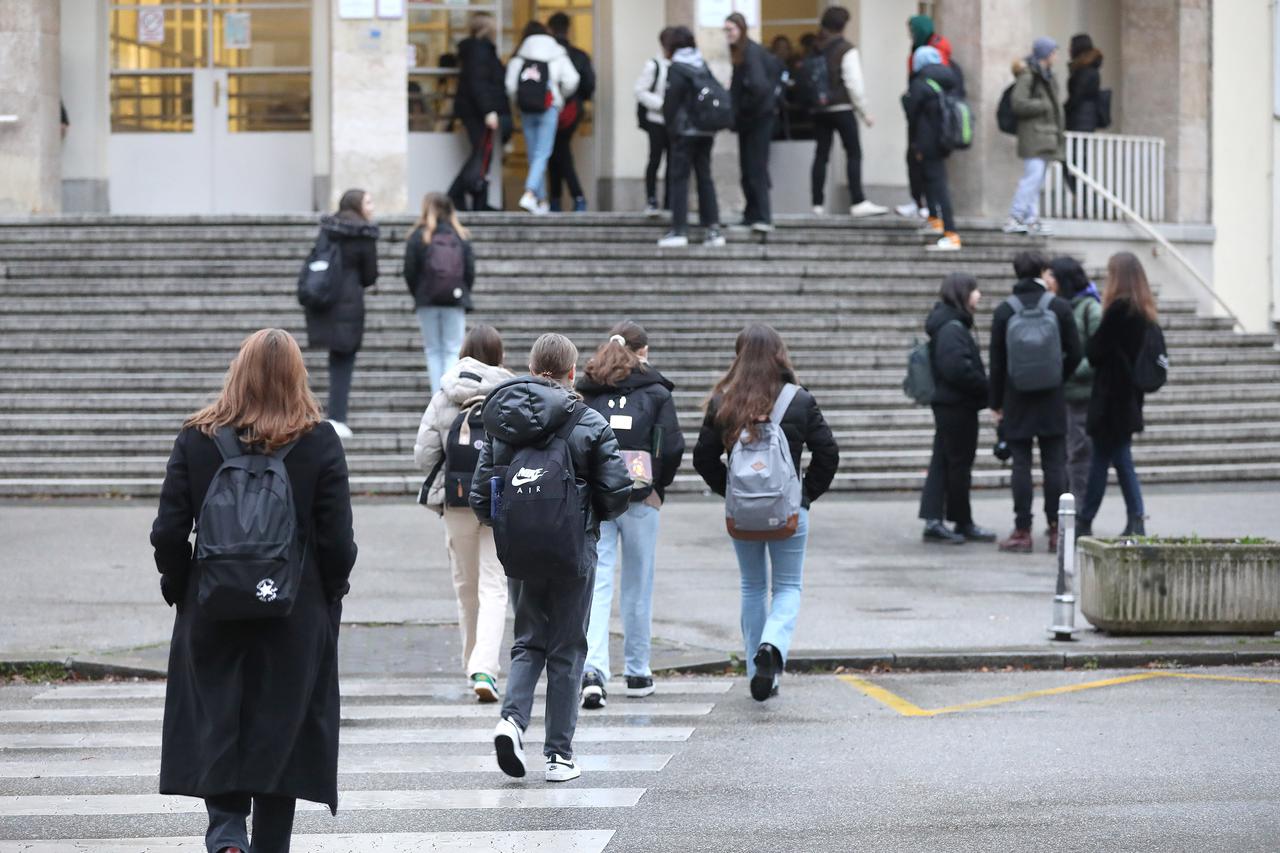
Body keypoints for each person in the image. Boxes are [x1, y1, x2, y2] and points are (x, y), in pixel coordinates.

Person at [151, 328, 357, 853]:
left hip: (212, 605)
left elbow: (169, 531)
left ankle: (224, 830)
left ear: (236, 372)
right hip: (293, 610)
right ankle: (268, 843)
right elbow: (338, 540)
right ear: (297, 376)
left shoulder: (196, 436)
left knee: (216, 713)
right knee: (281, 729)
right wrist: (330, 593)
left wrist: (180, 585)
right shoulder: (318, 439)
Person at [472, 333, 631, 783]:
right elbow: (617, 490)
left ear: (532, 366)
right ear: (572, 372)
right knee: (567, 648)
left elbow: (484, 498)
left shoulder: (502, 420)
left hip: (520, 551)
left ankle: (512, 720)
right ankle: (559, 756)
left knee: (528, 640)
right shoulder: (590, 421)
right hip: (573, 550)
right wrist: (588, 516)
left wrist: (512, 524)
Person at [693, 324, 839, 701]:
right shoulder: (798, 400)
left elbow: (702, 457)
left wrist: (731, 491)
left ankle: (756, 669)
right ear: (779, 354)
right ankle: (771, 648)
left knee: (752, 587)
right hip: (789, 511)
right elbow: (829, 454)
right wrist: (805, 495)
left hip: (742, 514)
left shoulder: (725, 400)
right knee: (787, 587)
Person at [576, 322, 686, 709]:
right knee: (639, 585)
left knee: (597, 583)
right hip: (641, 497)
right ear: (642, 351)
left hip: (597, 497)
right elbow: (672, 445)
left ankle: (593, 671)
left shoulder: (587, 389)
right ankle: (638, 671)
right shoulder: (656, 392)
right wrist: (659, 485)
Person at [414, 324, 514, 703]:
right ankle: (485, 668)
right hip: (498, 497)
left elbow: (422, 455)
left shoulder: (445, 392)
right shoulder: (510, 392)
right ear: (499, 355)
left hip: (456, 500)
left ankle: (473, 664)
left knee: (465, 587)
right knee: (493, 584)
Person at [988, 251, 1083, 553]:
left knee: (1021, 465)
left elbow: (998, 362)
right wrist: (1058, 376)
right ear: (1043, 271)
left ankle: (1022, 530)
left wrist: (997, 403)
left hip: (1016, 398)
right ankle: (1056, 530)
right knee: (1055, 464)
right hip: (1052, 397)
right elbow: (1077, 352)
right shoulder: (1059, 307)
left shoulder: (1005, 311)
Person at [1076, 252, 1158, 539]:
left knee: (1114, 459)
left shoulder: (1118, 311)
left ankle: (1122, 518)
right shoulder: (1144, 311)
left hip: (1111, 398)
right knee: (1109, 458)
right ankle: (1100, 518)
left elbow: (1095, 351)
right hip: (1129, 397)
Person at [919, 274, 995, 544]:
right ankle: (961, 521)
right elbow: (957, 369)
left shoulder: (950, 324)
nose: (979, 296)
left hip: (952, 404)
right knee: (958, 465)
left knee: (943, 462)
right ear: (962, 293)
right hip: (956, 405)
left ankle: (937, 520)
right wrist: (987, 387)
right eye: (974, 290)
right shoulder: (952, 328)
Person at [303, 189, 379, 440]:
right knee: (343, 361)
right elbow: (370, 276)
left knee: (330, 358)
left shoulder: (329, 227)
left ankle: (314, 413)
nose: (372, 206)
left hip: (325, 299)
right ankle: (337, 416)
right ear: (357, 205)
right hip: (349, 303)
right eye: (368, 201)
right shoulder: (364, 233)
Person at [809, 6, 887, 218]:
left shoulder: (816, 47)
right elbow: (854, 84)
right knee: (853, 152)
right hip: (842, 107)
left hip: (820, 109)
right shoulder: (845, 49)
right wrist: (864, 112)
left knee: (821, 155)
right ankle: (858, 200)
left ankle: (817, 203)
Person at [403, 192, 476, 393]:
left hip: (427, 300)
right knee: (453, 349)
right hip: (454, 299)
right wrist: (461, 291)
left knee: (433, 351)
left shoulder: (418, 236)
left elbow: (409, 271)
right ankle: (449, 393)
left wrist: (419, 293)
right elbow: (469, 270)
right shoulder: (460, 235)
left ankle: (437, 396)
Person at [658, 26, 725, 248]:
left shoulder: (677, 68)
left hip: (685, 132)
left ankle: (679, 229)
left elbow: (671, 103)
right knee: (705, 177)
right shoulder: (701, 65)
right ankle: (713, 229)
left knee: (679, 179)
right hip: (706, 131)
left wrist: (670, 127)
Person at [506, 21, 580, 216]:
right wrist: (560, 97)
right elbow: (572, 79)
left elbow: (511, 86)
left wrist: (519, 102)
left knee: (533, 154)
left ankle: (541, 201)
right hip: (549, 107)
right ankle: (531, 194)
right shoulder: (557, 54)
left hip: (526, 109)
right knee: (542, 152)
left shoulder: (519, 57)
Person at [1047, 256, 1102, 503]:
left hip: (1082, 395)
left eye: (1052, 277)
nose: (1047, 281)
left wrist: (1071, 370)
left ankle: (1078, 510)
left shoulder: (1091, 307)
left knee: (1080, 455)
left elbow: (1099, 352)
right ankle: (1065, 510)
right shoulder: (1057, 306)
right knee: (1063, 456)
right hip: (1059, 395)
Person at [903, 45, 963, 252]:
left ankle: (950, 233)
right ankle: (935, 221)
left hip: (925, 141)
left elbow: (911, 113)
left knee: (938, 185)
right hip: (942, 140)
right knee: (932, 181)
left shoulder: (920, 83)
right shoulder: (948, 78)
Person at [448, 12, 509, 212]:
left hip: (476, 109)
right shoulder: (479, 51)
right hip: (478, 111)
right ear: (487, 28)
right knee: (481, 153)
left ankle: (478, 202)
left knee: (483, 154)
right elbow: (479, 83)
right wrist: (488, 110)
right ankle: (456, 194)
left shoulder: (479, 50)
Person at [1003, 37, 1065, 236]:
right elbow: (1018, 103)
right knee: (1032, 178)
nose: (1056, 56)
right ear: (1046, 54)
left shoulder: (1046, 76)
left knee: (1037, 180)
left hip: (1046, 135)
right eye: (1053, 52)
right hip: (1034, 136)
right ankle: (1016, 216)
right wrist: (1042, 105)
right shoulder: (1029, 76)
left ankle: (1031, 218)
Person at [726, 12, 777, 234]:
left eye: (731, 30)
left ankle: (762, 215)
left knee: (755, 167)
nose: (727, 34)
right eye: (726, 30)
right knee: (749, 168)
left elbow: (758, 87)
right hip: (752, 120)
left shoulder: (750, 53)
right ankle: (752, 213)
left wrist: (742, 109)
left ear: (741, 29)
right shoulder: (743, 52)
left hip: (756, 119)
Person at [898, 14, 953, 219]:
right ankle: (930, 212)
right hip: (932, 129)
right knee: (932, 174)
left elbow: (912, 105)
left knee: (931, 175)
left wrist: (906, 100)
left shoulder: (924, 79)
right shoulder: (939, 73)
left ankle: (939, 221)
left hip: (925, 130)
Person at [547, 11, 595, 212]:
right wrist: (575, 99)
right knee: (557, 152)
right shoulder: (579, 55)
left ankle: (572, 197)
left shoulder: (548, 54)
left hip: (551, 108)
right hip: (572, 110)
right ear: (569, 29)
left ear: (550, 30)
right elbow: (588, 85)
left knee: (558, 152)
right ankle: (559, 200)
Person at [635, 28, 674, 217]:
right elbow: (640, 90)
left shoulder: (681, 65)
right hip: (656, 120)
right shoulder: (654, 65)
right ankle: (651, 199)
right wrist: (661, 105)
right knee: (655, 160)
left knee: (673, 162)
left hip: (674, 122)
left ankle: (670, 201)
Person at [1065, 34, 1104, 133]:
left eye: (1071, 46)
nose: (1069, 49)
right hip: (1084, 119)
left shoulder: (1085, 71)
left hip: (1080, 120)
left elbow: (1076, 96)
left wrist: (1063, 110)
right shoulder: (1088, 69)